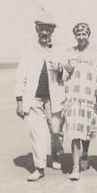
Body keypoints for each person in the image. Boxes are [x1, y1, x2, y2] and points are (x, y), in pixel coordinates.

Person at [14, 19, 69, 181]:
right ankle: (39, 168)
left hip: (55, 98)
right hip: (33, 99)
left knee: (56, 131)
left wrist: (61, 70)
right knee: (37, 132)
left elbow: (68, 72)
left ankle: (57, 155)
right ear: (37, 31)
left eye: (48, 30)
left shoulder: (59, 50)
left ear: (52, 32)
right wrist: (19, 101)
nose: (45, 33)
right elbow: (20, 76)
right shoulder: (29, 51)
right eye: (42, 30)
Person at [63, 23, 97, 181]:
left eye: (84, 34)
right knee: (74, 132)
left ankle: (85, 153)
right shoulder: (69, 52)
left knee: (86, 130)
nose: (82, 37)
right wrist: (64, 70)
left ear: (89, 35)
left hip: (90, 96)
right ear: (75, 36)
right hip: (73, 96)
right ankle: (75, 168)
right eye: (79, 34)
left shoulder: (96, 53)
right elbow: (64, 75)